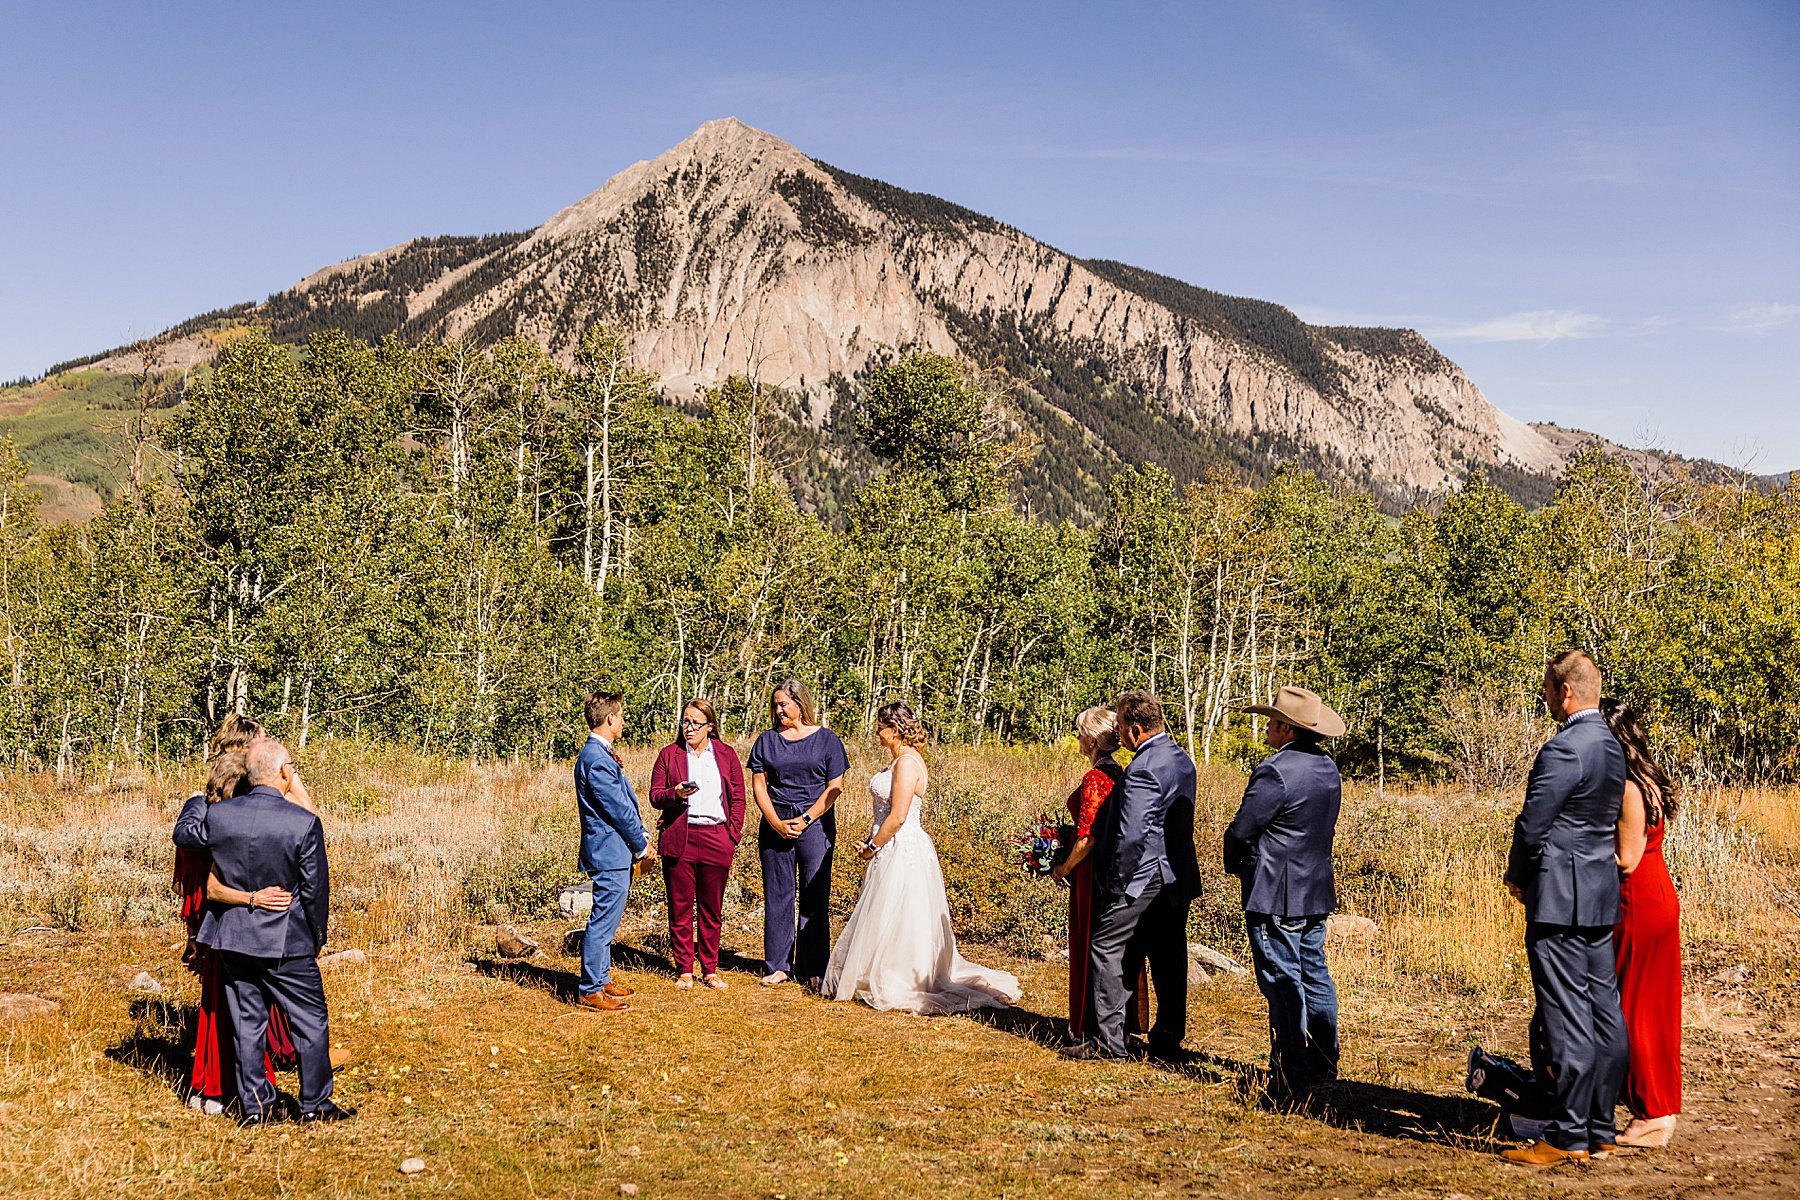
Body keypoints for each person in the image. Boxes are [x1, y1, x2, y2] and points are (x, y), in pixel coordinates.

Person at [173, 738, 350, 1124]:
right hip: (288, 941)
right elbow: (315, 889)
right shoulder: (302, 822)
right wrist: (316, 938)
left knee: (246, 1022)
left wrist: (193, 801)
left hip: (234, 938)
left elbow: (187, 834)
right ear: (284, 772)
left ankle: (256, 1108)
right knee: (309, 1020)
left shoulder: (220, 818)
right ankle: (314, 1104)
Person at [1500, 650, 1629, 1166]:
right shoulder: (1612, 746)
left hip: (1558, 898)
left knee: (1565, 1012)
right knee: (1604, 1010)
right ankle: (1600, 1127)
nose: (1547, 699)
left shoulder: (1564, 749)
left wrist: (1518, 875)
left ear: (1566, 693)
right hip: (1598, 893)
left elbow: (1533, 824)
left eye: (1549, 691)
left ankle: (1568, 1135)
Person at [822, 702, 1019, 1013]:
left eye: (881, 727)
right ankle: (881, 969)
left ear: (896, 729)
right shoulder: (901, 761)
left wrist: (872, 847)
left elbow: (898, 815)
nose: (877, 732)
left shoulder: (907, 764)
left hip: (901, 845)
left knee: (901, 911)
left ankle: (899, 976)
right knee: (889, 912)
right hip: (894, 844)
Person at [170, 716, 303, 1115]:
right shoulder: (210, 801)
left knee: (250, 998)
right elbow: (187, 836)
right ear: (244, 751)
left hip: (258, 908)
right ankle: (225, 1086)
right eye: (260, 745)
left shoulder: (259, 797)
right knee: (228, 1002)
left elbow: (307, 818)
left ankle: (272, 1057)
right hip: (227, 910)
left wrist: (288, 777)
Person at [1063, 690, 1200, 1062]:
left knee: (1107, 948)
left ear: (1135, 729)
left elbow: (1132, 834)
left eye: (1122, 727)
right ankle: (1168, 1036)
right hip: (1176, 877)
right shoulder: (1182, 759)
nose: (1119, 734)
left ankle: (1110, 1042)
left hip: (1143, 877)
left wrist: (1114, 882)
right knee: (1169, 955)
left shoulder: (1142, 768)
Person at [1224, 685, 1346, 1103]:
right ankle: (1323, 1061)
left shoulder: (1275, 771)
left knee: (1282, 981)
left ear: (1285, 728)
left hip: (1276, 892)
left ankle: (1291, 1073)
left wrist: (1235, 862)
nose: (1267, 728)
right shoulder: (1328, 768)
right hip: (1314, 889)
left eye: (1272, 721)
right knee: (1314, 974)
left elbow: (1243, 829)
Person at [1601, 697, 1683, 1149]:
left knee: (1635, 1011)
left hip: (1637, 904)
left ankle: (1652, 1113)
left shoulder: (1629, 787)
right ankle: (1656, 1107)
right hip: (1656, 897)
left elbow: (1626, 860)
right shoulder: (1646, 778)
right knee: (1653, 1009)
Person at [1049, 706, 1148, 1043]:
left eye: (1080, 733)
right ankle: (1112, 1023)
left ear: (1091, 739)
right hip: (1109, 866)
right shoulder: (1118, 772)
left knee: (1089, 940)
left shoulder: (1096, 777)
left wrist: (1065, 865)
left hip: (1090, 870)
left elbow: (1088, 835)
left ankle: (1087, 1025)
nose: (1078, 738)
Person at [748, 679, 847, 989]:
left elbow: (835, 787)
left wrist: (806, 818)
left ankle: (813, 967)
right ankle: (777, 965)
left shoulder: (827, 740)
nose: (779, 710)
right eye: (775, 704)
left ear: (801, 704)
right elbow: (759, 785)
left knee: (814, 896)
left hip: (815, 826)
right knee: (778, 895)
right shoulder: (766, 740)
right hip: (775, 824)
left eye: (784, 704)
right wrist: (775, 820)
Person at [649, 699, 747, 991]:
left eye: (695, 723)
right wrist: (676, 794)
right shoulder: (670, 754)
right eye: (685, 722)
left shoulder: (726, 755)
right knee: (679, 906)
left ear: (710, 727)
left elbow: (738, 798)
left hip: (717, 836)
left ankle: (710, 968)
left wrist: (732, 836)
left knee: (711, 908)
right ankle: (684, 969)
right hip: (682, 835)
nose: (688, 728)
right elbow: (655, 795)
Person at [575, 692, 652, 1012]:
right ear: (609, 719)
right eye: (620, 716)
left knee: (609, 917)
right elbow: (617, 809)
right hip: (609, 851)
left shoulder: (600, 754)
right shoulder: (595, 758)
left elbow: (621, 806)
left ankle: (602, 979)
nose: (623, 721)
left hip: (614, 849)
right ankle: (591, 989)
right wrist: (641, 843)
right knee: (603, 920)